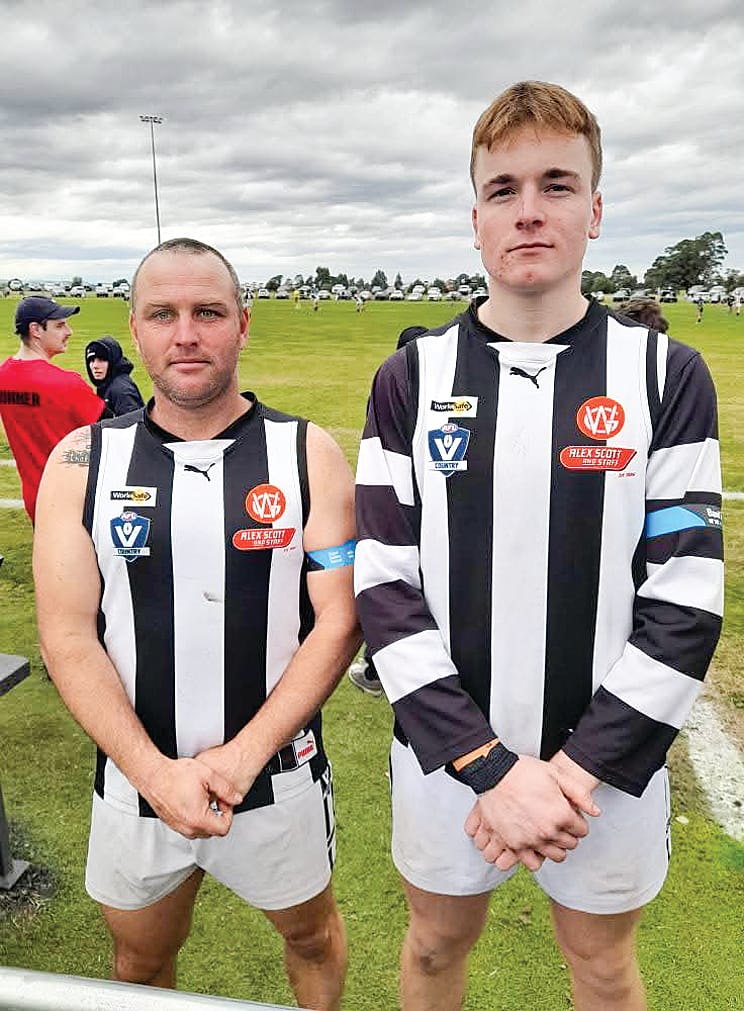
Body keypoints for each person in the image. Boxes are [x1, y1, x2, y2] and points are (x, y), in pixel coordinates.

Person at [354, 81, 723, 1011]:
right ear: (474, 216)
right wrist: (488, 767)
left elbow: (685, 598)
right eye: (503, 188)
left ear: (594, 212)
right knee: (435, 949)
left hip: (604, 769)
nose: (529, 210)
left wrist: (568, 773)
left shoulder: (664, 372)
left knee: (602, 967)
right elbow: (386, 584)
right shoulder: (409, 376)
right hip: (447, 758)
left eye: (557, 185)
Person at [33, 238, 361, 1011]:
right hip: (136, 784)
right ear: (136, 330)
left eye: (208, 311)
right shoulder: (83, 460)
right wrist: (156, 775)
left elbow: (339, 621)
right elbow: (68, 634)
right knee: (139, 964)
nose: (187, 332)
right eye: (164, 314)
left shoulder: (307, 451)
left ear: (242, 324)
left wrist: (243, 758)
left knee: (312, 938)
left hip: (275, 777)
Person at [348, 324, 429, 699]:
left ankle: (378, 671)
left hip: (401, 514)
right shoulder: (424, 378)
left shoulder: (395, 382)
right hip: (432, 518)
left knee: (391, 579)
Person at [0, 295, 106, 523]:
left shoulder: (3, 377)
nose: (69, 331)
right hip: (75, 499)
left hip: (35, 498)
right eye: (60, 325)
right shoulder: (66, 384)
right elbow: (115, 433)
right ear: (36, 330)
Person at [85, 335, 145, 416]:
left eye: (102, 360)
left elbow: (132, 425)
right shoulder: (107, 385)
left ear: (113, 361)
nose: (95, 366)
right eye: (92, 360)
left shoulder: (121, 390)